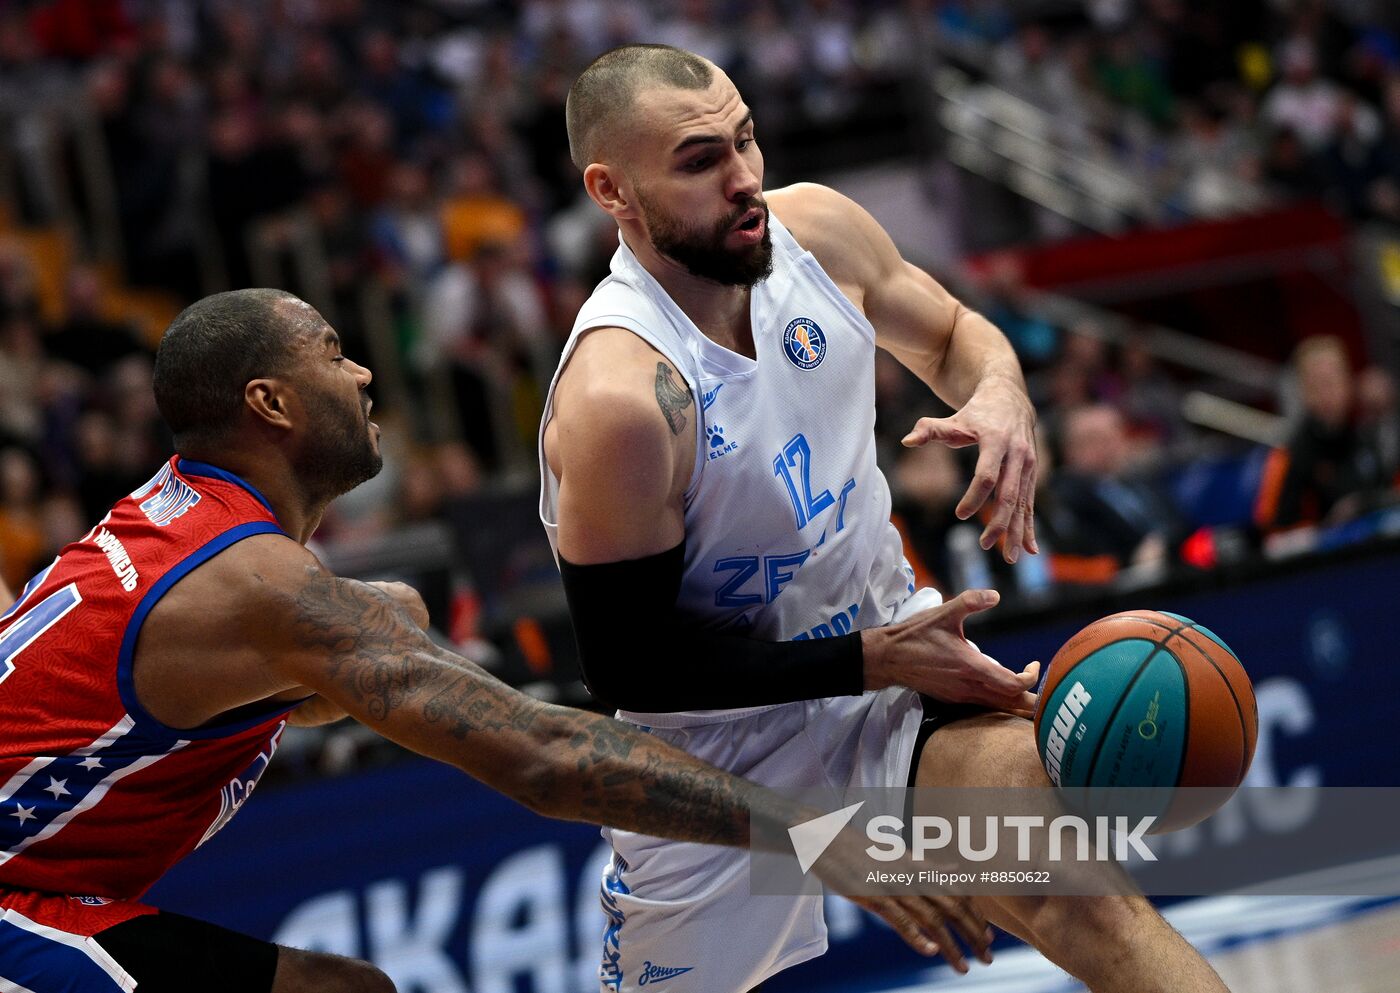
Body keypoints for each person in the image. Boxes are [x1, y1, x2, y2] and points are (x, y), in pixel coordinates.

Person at [0, 288, 988, 993]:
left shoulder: (176, 526)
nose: (362, 370)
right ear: (270, 404)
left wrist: (375, 634)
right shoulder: (258, 587)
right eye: (334, 350)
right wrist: (808, 835)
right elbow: (546, 756)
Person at [540, 44, 1230, 993]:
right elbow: (630, 665)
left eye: (746, 140)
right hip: (714, 765)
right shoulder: (622, 395)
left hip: (885, 687)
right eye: (700, 161)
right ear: (612, 190)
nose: (745, 179)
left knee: (1078, 886)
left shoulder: (815, 232)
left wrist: (1000, 394)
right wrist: (872, 656)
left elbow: (951, 334)